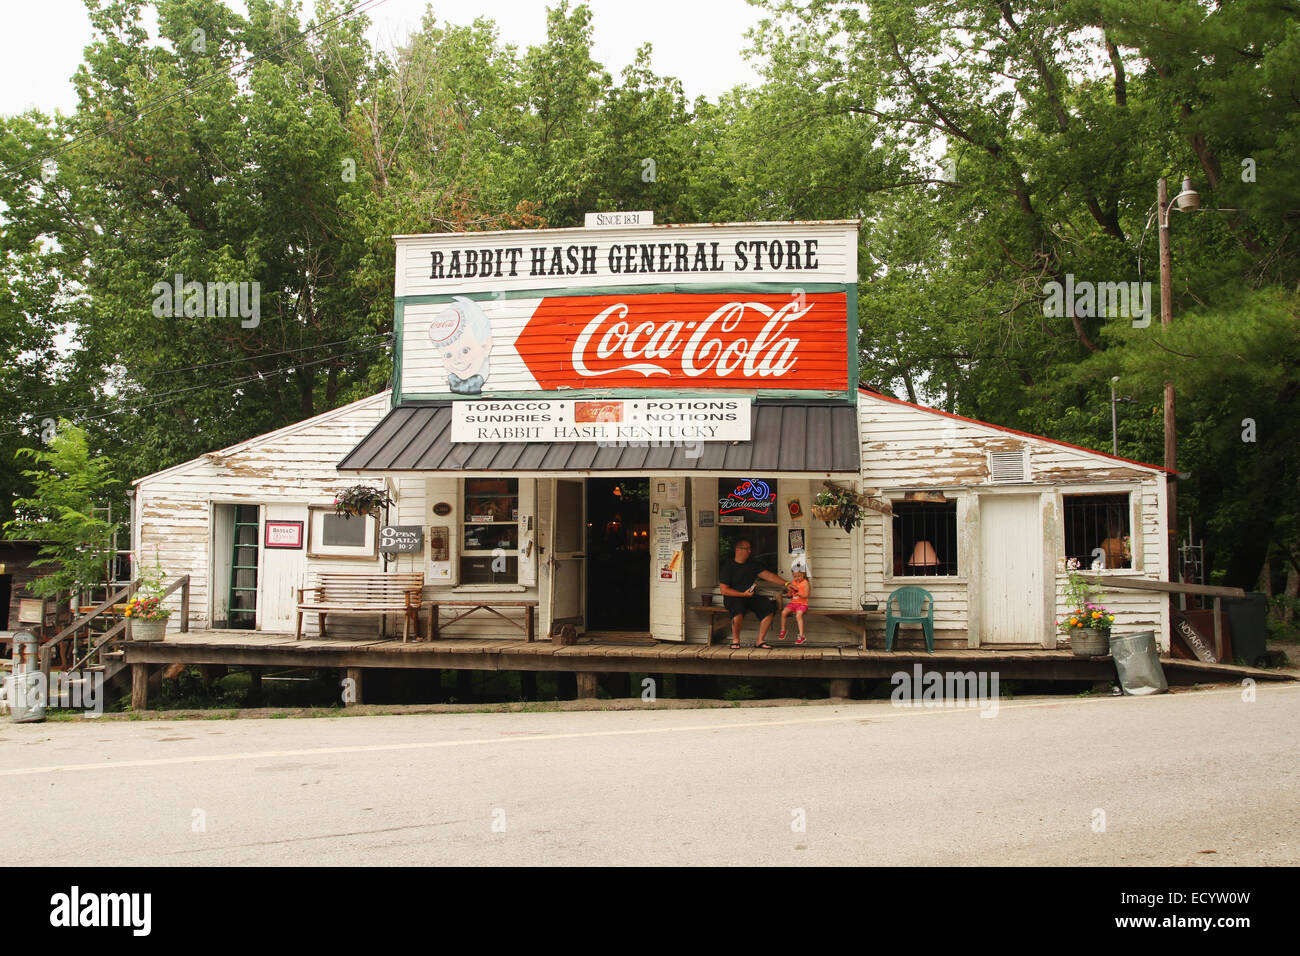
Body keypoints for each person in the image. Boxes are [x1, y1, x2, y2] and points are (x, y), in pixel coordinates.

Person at [718, 538, 788, 649]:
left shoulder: (752, 565)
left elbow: (769, 576)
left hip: (750, 596)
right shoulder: (728, 567)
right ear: (738, 550)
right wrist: (743, 594)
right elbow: (724, 590)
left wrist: (787, 584)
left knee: (769, 607)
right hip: (733, 597)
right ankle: (736, 641)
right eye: (747, 549)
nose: (750, 551)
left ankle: (760, 641)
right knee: (737, 610)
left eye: (750, 549)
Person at [779, 563, 811, 644]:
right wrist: (789, 594)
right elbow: (790, 594)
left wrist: (799, 593)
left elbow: (806, 595)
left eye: (798, 576)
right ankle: (783, 630)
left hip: (802, 604)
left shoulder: (805, 583)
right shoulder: (793, 582)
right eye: (795, 576)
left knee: (798, 615)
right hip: (793, 603)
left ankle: (801, 635)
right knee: (783, 612)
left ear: (803, 574)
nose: (796, 578)